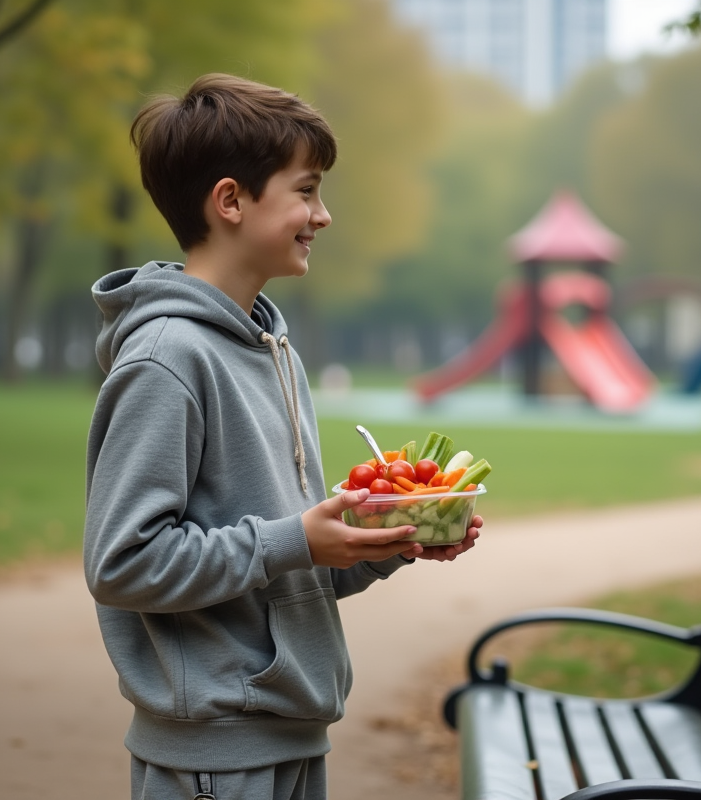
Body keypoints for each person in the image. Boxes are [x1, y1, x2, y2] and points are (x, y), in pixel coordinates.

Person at [83, 73, 481, 800]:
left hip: (289, 732)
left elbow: (286, 565)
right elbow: (123, 563)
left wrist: (389, 539)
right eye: (307, 190)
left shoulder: (273, 350)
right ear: (231, 201)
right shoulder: (168, 359)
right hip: (216, 754)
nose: (323, 215)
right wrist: (294, 539)